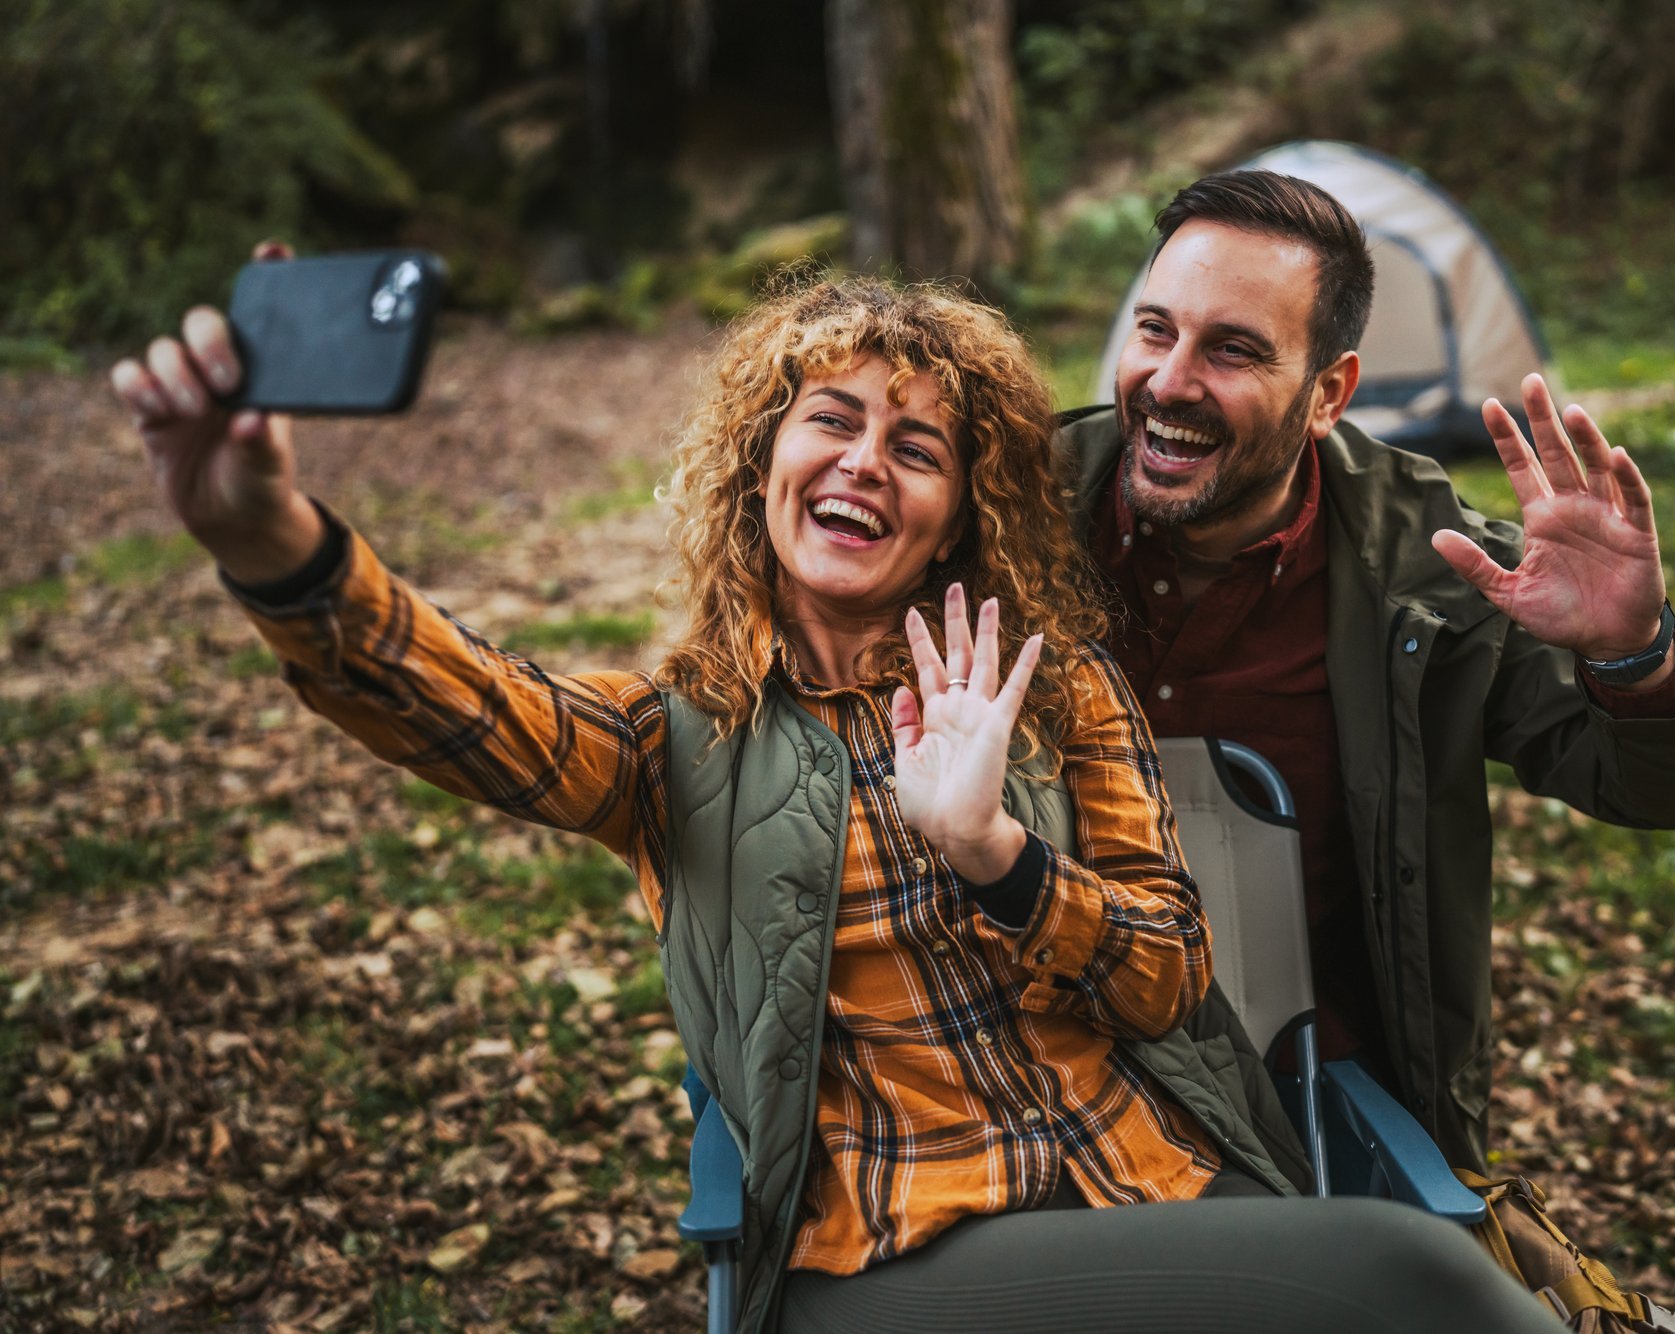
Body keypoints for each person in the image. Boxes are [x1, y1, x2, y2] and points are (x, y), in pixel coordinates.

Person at [112, 264, 1562, 1333]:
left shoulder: (1058, 694)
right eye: (831, 422)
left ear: (958, 514)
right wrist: (281, 551)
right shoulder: (683, 737)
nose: (865, 461)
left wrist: (998, 853)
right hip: (899, 1257)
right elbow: (466, 707)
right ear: (764, 465)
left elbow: (1173, 974)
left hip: (1166, 1196)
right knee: (1427, 1287)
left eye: (916, 446)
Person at [1062, 170, 1675, 1172]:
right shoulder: (1007, 513)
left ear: (1327, 392)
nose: (1167, 381)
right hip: (1025, 1073)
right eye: (1155, 329)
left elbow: (1661, 786)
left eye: (1234, 349)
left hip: (1309, 1101)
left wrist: (1628, 654)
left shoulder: (1434, 572)